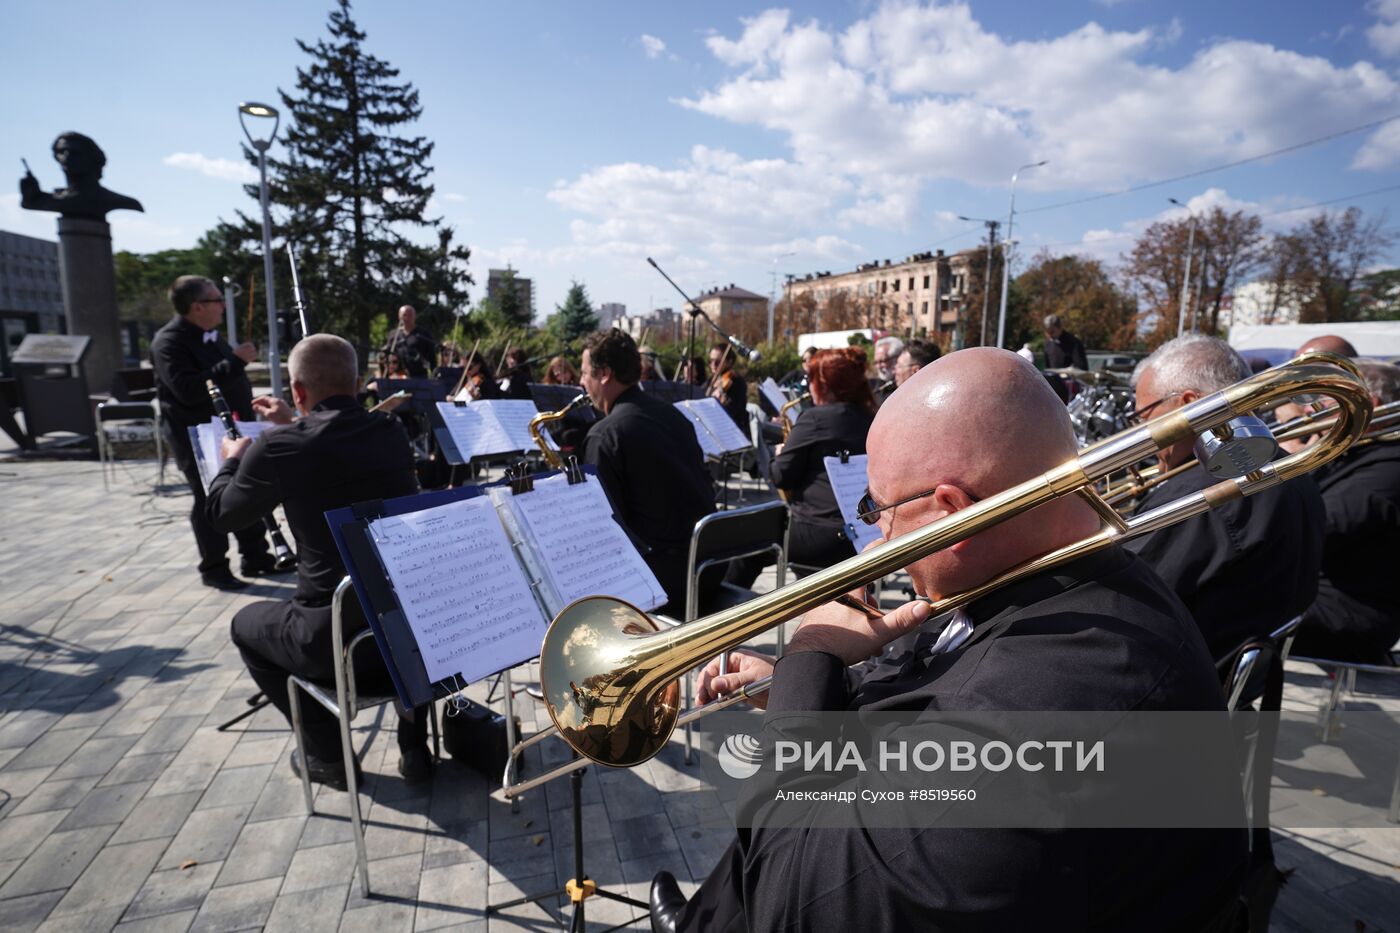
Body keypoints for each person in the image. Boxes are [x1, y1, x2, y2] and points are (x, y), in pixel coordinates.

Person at [651, 347, 1246, 933]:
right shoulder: (1046, 581)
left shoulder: (1047, 702)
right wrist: (806, 686)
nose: (876, 539)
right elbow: (937, 693)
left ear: (949, 511)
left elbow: (792, 897)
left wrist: (811, 654)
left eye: (877, 508)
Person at [208, 334, 429, 788]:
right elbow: (332, 447)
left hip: (332, 645)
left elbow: (223, 516)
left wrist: (232, 461)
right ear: (357, 383)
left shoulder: (277, 448)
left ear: (298, 392)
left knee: (244, 626)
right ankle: (414, 747)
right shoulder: (391, 432)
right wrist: (294, 424)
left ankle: (328, 756)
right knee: (401, 591)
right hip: (409, 643)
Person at [1124, 335, 1325, 662]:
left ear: (1187, 405)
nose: (1140, 433)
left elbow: (1118, 601)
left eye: (1144, 416)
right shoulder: (1290, 465)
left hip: (1176, 686)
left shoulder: (1202, 496)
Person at [150, 275, 275, 590]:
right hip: (197, 436)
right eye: (218, 300)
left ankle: (256, 556)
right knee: (208, 496)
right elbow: (189, 390)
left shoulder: (211, 336)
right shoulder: (169, 342)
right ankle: (215, 567)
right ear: (198, 307)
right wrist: (234, 361)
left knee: (244, 490)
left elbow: (228, 382)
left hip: (231, 429)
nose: (223, 306)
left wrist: (250, 412)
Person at [580, 328, 717, 613]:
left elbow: (603, 533)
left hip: (657, 585)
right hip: (707, 570)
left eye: (585, 374)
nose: (582, 383)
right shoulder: (675, 416)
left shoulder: (604, 435)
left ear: (604, 374)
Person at [727, 348, 875, 586]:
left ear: (823, 385)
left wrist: (779, 453)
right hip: (864, 535)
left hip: (819, 534)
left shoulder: (814, 418)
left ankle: (726, 613)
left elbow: (780, 477)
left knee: (747, 543)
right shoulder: (869, 417)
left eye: (811, 380)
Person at [1292, 359, 1400, 662]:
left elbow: (1315, 528)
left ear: (1366, 405)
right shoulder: (1357, 451)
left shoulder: (1390, 466)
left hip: (1346, 615)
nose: (1308, 411)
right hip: (1315, 595)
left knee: (1222, 601)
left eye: (1324, 401)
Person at [1276, 334, 1359, 453]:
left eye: (1310, 371)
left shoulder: (1346, 404)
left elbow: (1308, 460)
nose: (1302, 379)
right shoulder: (1305, 401)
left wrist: (1292, 422)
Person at [380, 305, 437, 379]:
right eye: (404, 315)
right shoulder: (393, 335)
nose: (407, 318)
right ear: (399, 317)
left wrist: (434, 377)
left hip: (418, 376)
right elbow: (387, 356)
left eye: (410, 315)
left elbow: (432, 358)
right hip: (397, 377)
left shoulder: (423, 334)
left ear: (414, 317)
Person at [708, 342, 749, 433]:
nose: (713, 365)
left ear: (729, 362)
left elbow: (736, 412)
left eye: (717, 362)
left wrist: (722, 395)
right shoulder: (711, 380)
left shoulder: (737, 382)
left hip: (731, 430)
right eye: (710, 361)